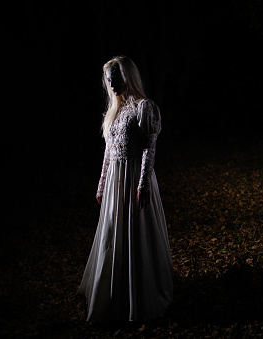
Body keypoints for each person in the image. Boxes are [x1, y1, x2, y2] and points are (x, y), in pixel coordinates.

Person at [78, 55, 173, 322]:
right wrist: (101, 184)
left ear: (128, 77)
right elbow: (108, 154)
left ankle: (139, 294)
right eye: (109, 80)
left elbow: (148, 149)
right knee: (112, 233)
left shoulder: (145, 108)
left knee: (135, 233)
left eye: (116, 79)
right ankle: (112, 291)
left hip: (135, 180)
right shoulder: (114, 112)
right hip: (115, 184)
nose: (112, 85)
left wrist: (142, 183)